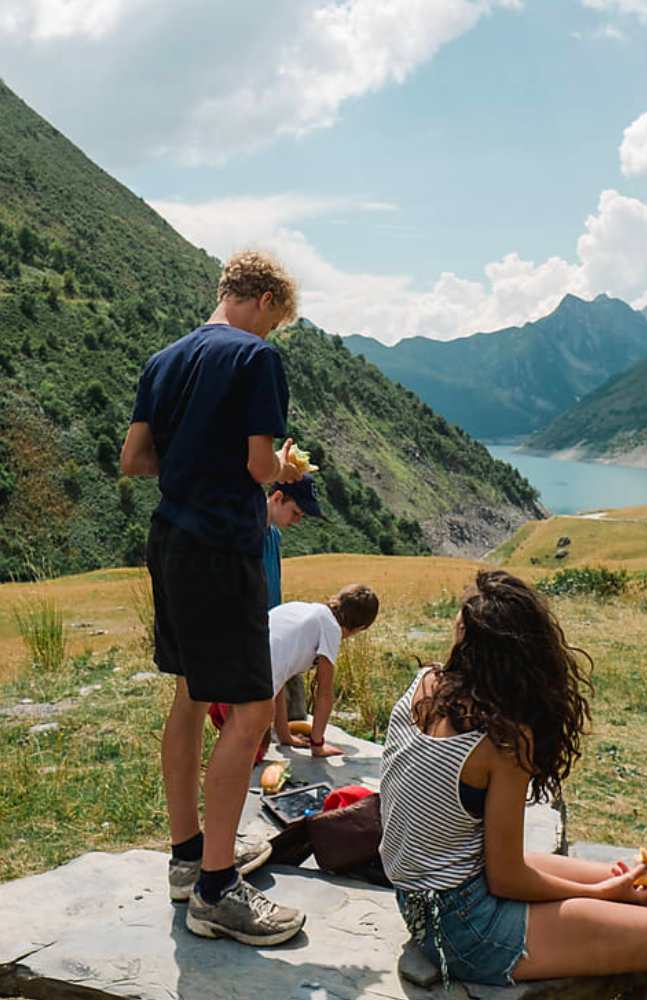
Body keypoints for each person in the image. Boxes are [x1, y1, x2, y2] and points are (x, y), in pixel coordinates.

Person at [378, 571, 647, 997]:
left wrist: (606, 889)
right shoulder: (503, 739)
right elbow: (507, 879)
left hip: (420, 901)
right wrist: (602, 892)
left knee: (639, 890)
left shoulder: (425, 684)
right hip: (464, 928)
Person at [120, 249, 307, 947]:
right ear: (262, 300)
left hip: (167, 539)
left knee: (191, 694)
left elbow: (135, 459)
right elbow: (261, 466)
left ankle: (188, 854)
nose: (271, 334)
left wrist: (194, 462)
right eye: (275, 322)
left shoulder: (162, 360)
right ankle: (218, 891)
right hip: (222, 547)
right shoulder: (256, 360)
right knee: (253, 706)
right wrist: (282, 466)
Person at [210, 584, 379, 761]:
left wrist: (284, 736)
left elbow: (279, 677)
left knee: (234, 745)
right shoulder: (331, 628)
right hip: (245, 694)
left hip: (221, 680)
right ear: (359, 627)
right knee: (248, 757)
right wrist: (317, 745)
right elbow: (324, 695)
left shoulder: (297, 608)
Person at [263, 474, 325, 721]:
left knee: (293, 708)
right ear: (277, 498)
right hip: (253, 631)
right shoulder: (247, 531)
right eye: (296, 512)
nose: (298, 521)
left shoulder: (274, 535)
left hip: (273, 626)